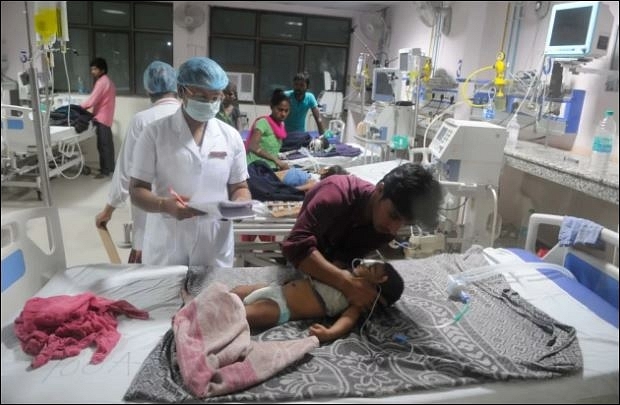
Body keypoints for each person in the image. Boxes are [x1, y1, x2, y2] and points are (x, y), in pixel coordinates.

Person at [129, 56, 251, 267]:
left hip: (213, 242)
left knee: (213, 297)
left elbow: (239, 186)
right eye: (202, 97)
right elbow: (136, 190)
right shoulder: (154, 134)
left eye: (215, 97)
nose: (210, 103)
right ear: (182, 91)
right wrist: (164, 205)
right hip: (168, 242)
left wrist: (240, 203)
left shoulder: (230, 137)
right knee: (167, 298)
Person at [281, 163, 442, 310]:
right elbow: (295, 246)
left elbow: (346, 257)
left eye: (404, 224)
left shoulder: (383, 230)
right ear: (379, 189)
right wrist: (344, 282)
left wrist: (353, 284)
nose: (394, 230)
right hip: (303, 256)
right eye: (393, 216)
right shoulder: (335, 194)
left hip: (329, 262)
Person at [95, 61, 180, 263]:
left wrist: (109, 209)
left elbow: (126, 170)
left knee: (148, 271)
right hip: (184, 210)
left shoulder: (142, 120)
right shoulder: (188, 118)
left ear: (148, 88)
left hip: (149, 207)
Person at [228, 259, 403, 343]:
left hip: (282, 307)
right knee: (236, 292)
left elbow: (347, 320)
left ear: (379, 282)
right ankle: (207, 307)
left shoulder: (356, 301)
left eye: (371, 268)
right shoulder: (342, 273)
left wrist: (330, 333)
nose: (364, 262)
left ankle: (210, 320)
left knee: (244, 315)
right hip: (275, 288)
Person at [81, 57, 116, 179]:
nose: (92, 72)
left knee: (103, 145)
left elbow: (92, 100)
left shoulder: (101, 82)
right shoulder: (108, 81)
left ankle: (105, 172)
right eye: (92, 69)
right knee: (108, 145)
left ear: (102, 69)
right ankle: (110, 168)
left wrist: (78, 108)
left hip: (102, 118)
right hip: (107, 118)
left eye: (95, 69)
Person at [246, 89, 291, 171]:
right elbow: (253, 146)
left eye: (286, 111)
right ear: (272, 107)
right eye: (280, 110)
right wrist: (275, 160)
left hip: (270, 168)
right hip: (256, 168)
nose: (283, 114)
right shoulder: (263, 123)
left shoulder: (281, 126)